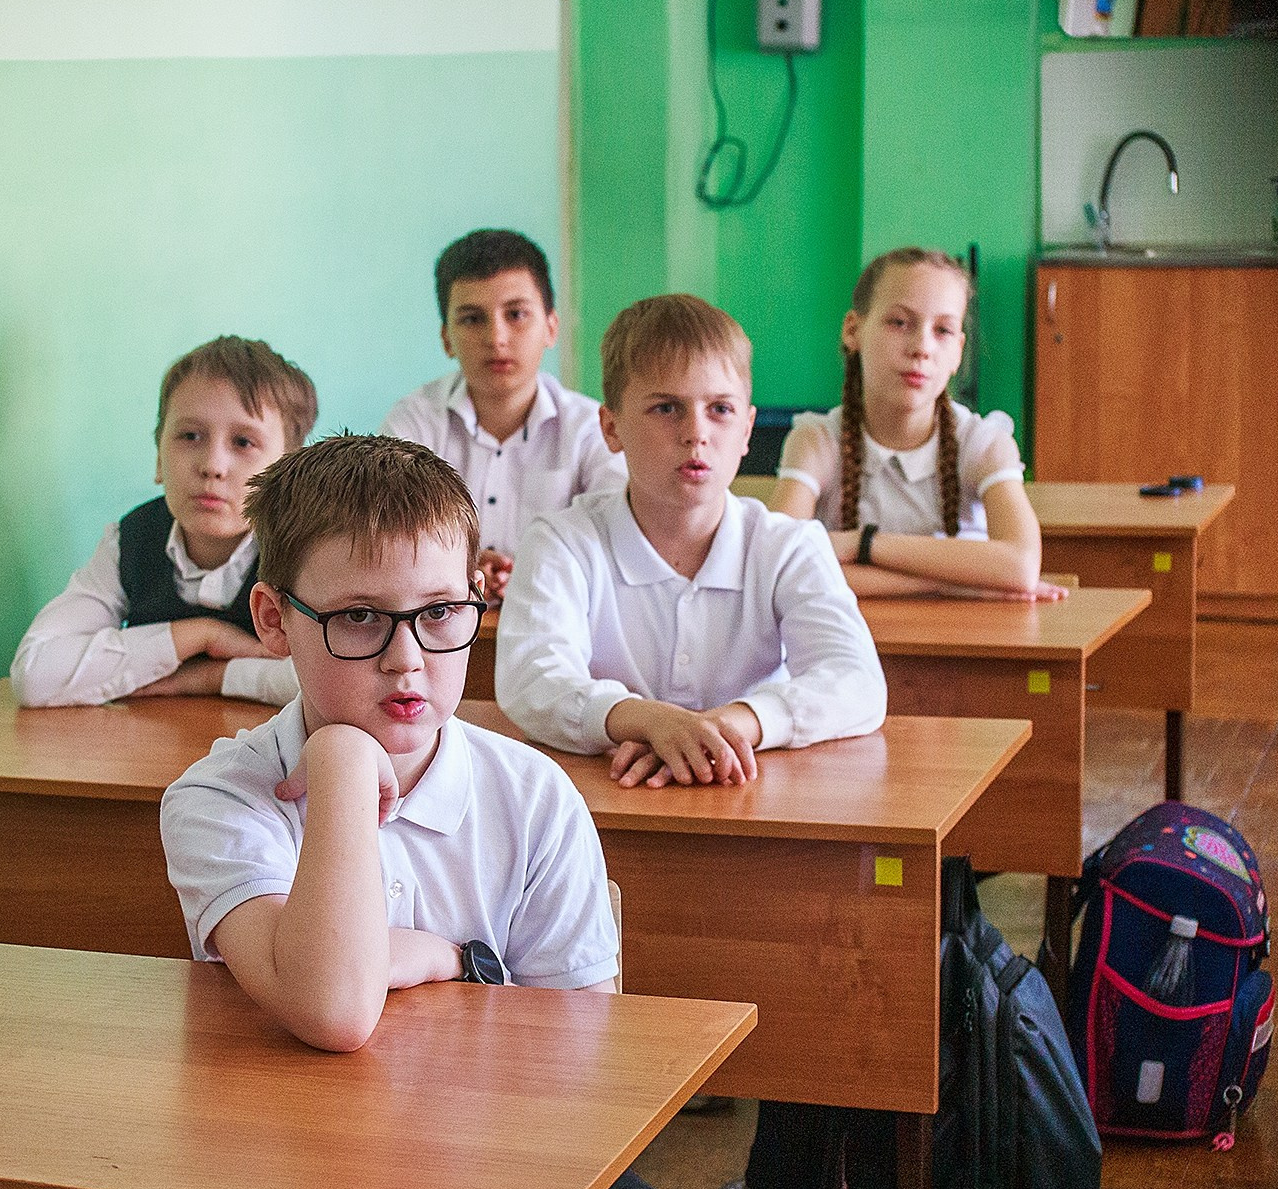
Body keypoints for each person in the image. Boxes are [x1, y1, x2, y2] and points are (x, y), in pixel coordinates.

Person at [159, 435, 773, 1189]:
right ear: (273, 619)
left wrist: (441, 956)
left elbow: (587, 1073)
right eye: (360, 618)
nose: (407, 660)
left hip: (517, 1173)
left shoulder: (530, 796)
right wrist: (338, 767)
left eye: (441, 613)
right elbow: (334, 1005)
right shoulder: (219, 798)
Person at [496, 294, 887, 789]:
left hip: (755, 797)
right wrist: (642, 719)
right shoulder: (562, 542)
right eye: (666, 408)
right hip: (603, 808)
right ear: (611, 428)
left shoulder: (788, 545)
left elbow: (856, 682)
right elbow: (530, 677)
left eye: (720, 409)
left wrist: (723, 728)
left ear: (747, 430)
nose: (696, 433)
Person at [13, 335, 316, 706]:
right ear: (159, 457)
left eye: (243, 442)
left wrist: (210, 675)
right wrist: (200, 635)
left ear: (289, 471)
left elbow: (340, 682)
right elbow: (35, 673)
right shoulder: (131, 540)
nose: (213, 466)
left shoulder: (308, 550)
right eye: (190, 435)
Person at [768, 247, 1066, 601]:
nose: (922, 347)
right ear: (853, 330)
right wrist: (953, 582)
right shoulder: (816, 441)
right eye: (899, 322)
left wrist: (862, 544)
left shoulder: (984, 443)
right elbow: (778, 565)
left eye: (942, 330)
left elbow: (1020, 567)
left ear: (958, 351)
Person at [380, 228, 624, 601]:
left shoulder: (592, 429)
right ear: (447, 338)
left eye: (516, 314)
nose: (496, 338)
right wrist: (461, 565)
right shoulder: (415, 423)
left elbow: (615, 539)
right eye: (473, 319)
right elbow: (385, 535)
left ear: (551, 327)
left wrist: (531, 571)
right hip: (436, 631)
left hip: (563, 621)